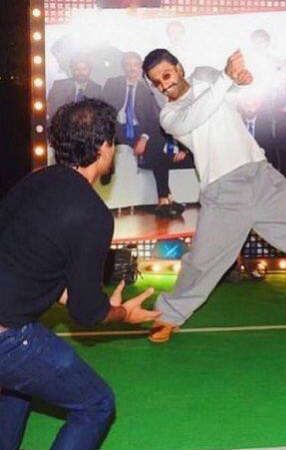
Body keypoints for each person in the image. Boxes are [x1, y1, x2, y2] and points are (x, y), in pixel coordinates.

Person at [0, 98, 159, 450]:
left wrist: (81, 296)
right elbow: (86, 313)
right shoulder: (92, 214)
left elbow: (27, 258)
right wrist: (122, 313)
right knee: (96, 404)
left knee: (17, 386)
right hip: (7, 338)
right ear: (103, 147)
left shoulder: (36, 179)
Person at [142, 49, 286, 342]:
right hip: (223, 191)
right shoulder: (169, 116)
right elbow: (200, 111)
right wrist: (226, 80)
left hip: (262, 176)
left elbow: (237, 92)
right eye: (156, 83)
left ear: (178, 68)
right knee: (202, 262)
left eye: (166, 75)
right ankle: (169, 315)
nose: (164, 85)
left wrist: (242, 80)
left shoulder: (206, 77)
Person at [101, 51, 186, 217]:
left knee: (157, 145)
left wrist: (144, 138)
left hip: (139, 131)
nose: (131, 69)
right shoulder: (113, 84)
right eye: (128, 65)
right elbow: (103, 111)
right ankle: (167, 199)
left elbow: (154, 118)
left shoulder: (149, 88)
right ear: (123, 67)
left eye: (135, 65)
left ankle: (163, 199)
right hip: (117, 131)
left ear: (141, 68)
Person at [47, 53, 102, 119]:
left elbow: (98, 113)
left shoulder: (97, 89)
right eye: (77, 69)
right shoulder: (59, 86)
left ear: (90, 70)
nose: (80, 72)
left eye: (84, 69)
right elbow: (51, 108)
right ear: (72, 71)